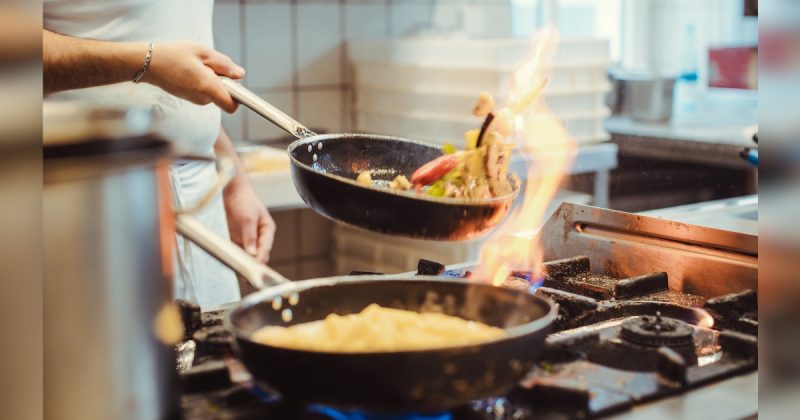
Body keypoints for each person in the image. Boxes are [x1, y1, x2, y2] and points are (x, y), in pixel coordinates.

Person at [43, 0, 275, 310]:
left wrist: (234, 182)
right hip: (89, 205)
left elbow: (173, 53)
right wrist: (147, 62)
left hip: (202, 207)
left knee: (217, 352)